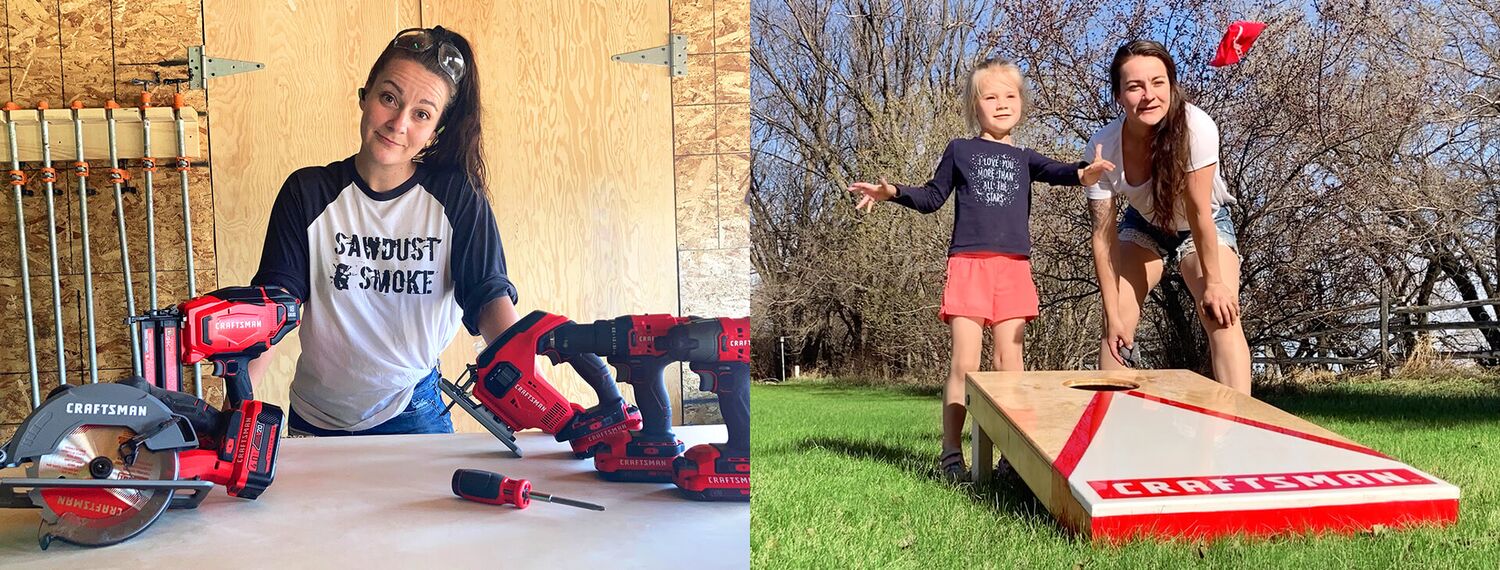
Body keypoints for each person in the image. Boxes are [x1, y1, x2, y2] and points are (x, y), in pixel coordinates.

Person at [848, 58, 1114, 480]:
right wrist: (892, 191)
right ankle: (952, 454)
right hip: (969, 264)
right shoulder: (961, 150)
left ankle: (1012, 455)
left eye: (1010, 96)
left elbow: (1061, 172)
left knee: (1012, 361)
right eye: (991, 97)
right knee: (965, 363)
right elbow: (933, 197)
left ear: (1021, 103)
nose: (1002, 104)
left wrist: (1086, 172)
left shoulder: (1026, 158)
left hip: (1014, 269)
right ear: (976, 106)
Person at [249, 27, 522, 435]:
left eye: (421, 114)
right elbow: (273, 308)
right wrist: (233, 414)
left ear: (436, 130)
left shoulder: (456, 197)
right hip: (315, 416)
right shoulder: (308, 192)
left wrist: (531, 401)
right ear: (365, 96)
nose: (398, 123)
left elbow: (489, 298)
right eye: (389, 98)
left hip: (413, 410)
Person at [1085, 40, 1252, 394]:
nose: (1148, 95)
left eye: (1158, 83)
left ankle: (1241, 430)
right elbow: (1102, 236)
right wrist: (1111, 311)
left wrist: (1216, 283)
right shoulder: (1102, 147)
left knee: (1220, 314)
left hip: (1201, 224)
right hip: (1144, 225)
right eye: (1134, 86)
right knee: (1116, 319)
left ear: (1171, 85)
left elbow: (1198, 210)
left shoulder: (1197, 127)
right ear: (1118, 95)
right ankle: (1113, 434)